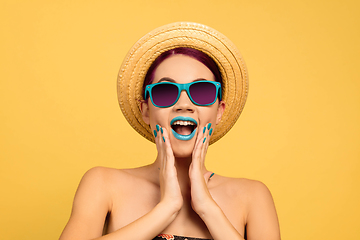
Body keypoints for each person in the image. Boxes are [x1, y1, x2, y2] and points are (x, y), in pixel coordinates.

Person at [59, 22, 280, 240]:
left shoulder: (253, 197)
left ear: (219, 111)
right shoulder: (103, 183)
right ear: (146, 110)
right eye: (166, 91)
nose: (184, 104)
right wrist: (166, 208)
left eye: (201, 91)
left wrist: (207, 209)